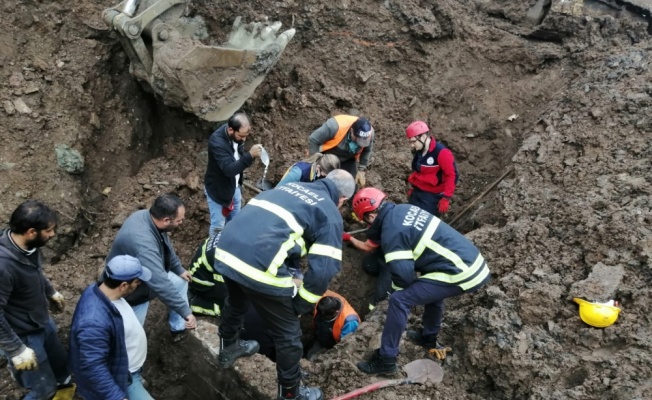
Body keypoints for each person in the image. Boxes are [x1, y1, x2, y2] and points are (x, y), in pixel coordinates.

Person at [214, 169, 356, 400]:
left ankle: (228, 346)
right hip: (258, 263)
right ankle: (291, 394)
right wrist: (300, 304)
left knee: (236, 300)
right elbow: (323, 272)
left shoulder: (291, 187)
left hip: (225, 250)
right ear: (343, 199)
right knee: (288, 335)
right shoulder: (330, 214)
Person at [351, 188, 490, 374]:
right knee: (433, 289)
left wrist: (395, 291)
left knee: (399, 300)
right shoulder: (404, 209)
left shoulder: (391, 233)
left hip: (462, 271)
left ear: (369, 216)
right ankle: (428, 338)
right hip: (471, 261)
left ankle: (386, 360)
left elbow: (404, 277)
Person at [0, 200, 74, 400]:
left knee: (63, 368)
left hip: (41, 321)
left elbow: (35, 271)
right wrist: (16, 350)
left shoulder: (28, 246)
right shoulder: (3, 266)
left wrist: (50, 291)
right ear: (31, 231)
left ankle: (63, 389)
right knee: (43, 390)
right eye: (49, 231)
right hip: (23, 334)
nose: (52, 235)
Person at [105, 193, 196, 340]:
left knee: (180, 282)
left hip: (144, 278)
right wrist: (186, 311)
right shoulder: (144, 245)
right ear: (166, 220)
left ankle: (178, 329)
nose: (182, 222)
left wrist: (178, 268)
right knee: (132, 335)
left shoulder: (147, 217)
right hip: (131, 292)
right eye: (179, 220)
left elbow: (166, 245)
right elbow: (159, 282)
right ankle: (128, 359)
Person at [69, 255, 154, 400]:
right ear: (123, 286)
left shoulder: (98, 291)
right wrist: (116, 396)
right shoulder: (94, 322)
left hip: (127, 367)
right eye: (137, 282)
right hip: (122, 377)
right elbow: (93, 367)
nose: (138, 285)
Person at [204, 111, 264, 235]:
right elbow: (229, 170)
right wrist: (250, 156)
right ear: (231, 130)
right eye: (241, 136)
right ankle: (213, 251)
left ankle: (231, 244)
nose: (244, 139)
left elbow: (238, 160)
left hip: (234, 187)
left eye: (246, 135)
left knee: (236, 223)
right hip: (218, 191)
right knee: (218, 227)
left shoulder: (235, 137)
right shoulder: (217, 142)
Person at [405, 121, 459, 217]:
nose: (412, 145)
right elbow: (419, 172)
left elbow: (452, 175)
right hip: (418, 192)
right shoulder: (419, 152)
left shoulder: (442, 153)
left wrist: (446, 198)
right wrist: (414, 187)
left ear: (423, 136)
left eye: (413, 141)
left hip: (432, 196)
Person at [308, 115, 374, 187]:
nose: (359, 143)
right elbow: (313, 139)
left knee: (350, 184)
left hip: (348, 158)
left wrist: (361, 170)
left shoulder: (369, 134)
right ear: (352, 131)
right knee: (321, 182)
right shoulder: (334, 127)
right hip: (328, 155)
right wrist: (316, 162)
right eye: (357, 139)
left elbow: (367, 150)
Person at [187, 231, 227, 317]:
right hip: (200, 283)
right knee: (227, 308)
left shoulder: (230, 231)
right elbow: (222, 291)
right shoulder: (222, 258)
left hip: (201, 270)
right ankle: (193, 303)